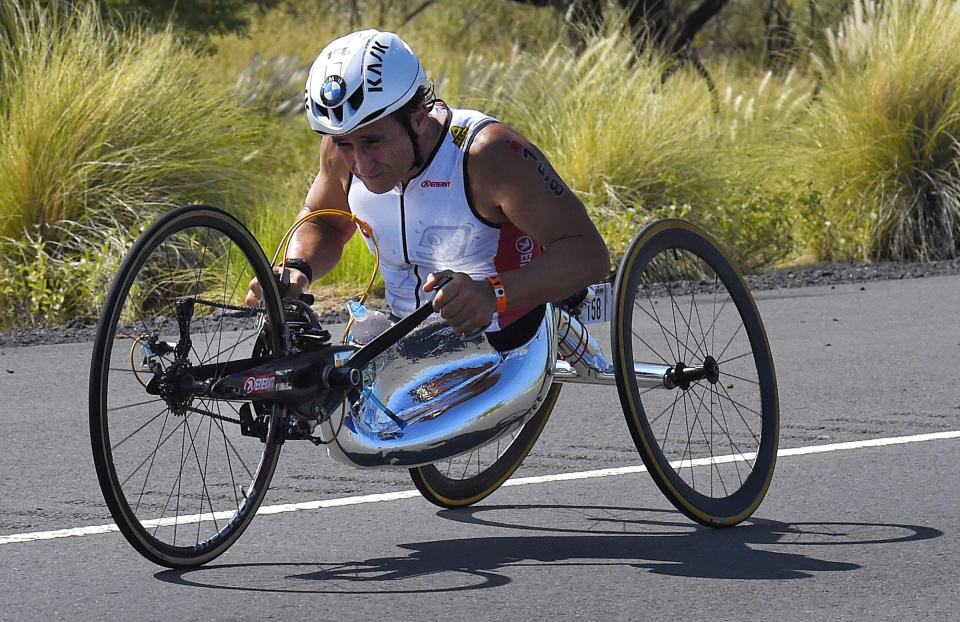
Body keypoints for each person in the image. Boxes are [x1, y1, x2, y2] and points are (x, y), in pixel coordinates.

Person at [246, 29, 609, 350]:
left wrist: (492, 294)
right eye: (345, 144)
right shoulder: (341, 152)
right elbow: (324, 222)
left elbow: (589, 254)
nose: (362, 165)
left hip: (504, 335)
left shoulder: (488, 155)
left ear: (420, 116)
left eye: (374, 142)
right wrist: (297, 268)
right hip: (410, 341)